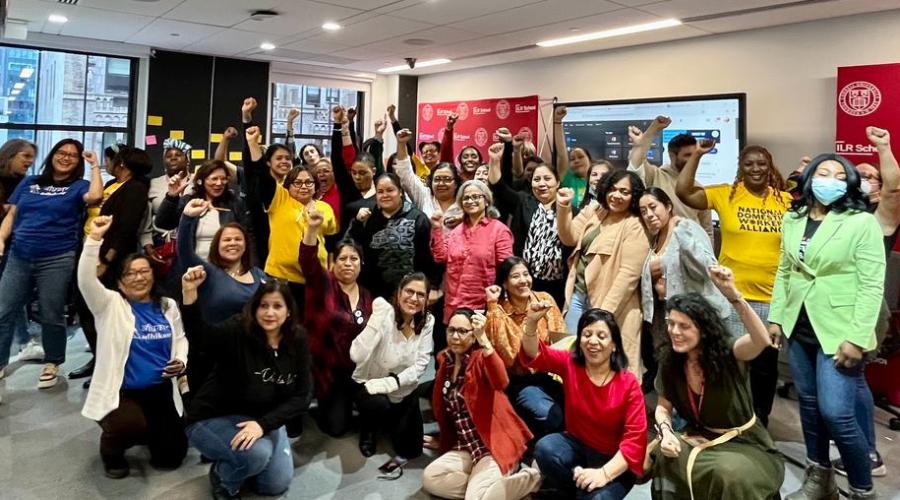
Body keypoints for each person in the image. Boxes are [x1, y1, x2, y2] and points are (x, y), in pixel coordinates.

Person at [768, 154, 884, 500]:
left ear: (848, 182)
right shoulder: (794, 218)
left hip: (841, 329)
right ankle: (819, 480)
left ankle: (863, 489)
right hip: (799, 324)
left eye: (838, 174)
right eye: (823, 172)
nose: (830, 179)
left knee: (837, 413)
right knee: (809, 405)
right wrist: (776, 317)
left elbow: (872, 285)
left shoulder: (860, 222)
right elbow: (785, 271)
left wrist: (858, 337)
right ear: (809, 179)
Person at [675, 139, 791, 427]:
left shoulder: (785, 201)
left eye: (761, 163)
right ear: (741, 167)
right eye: (749, 163)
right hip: (730, 297)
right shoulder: (726, 194)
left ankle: (758, 424)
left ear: (769, 167)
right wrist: (698, 156)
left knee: (764, 369)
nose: (755, 168)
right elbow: (684, 191)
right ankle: (726, 420)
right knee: (727, 363)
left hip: (770, 300)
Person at [651, 266, 784, 500]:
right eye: (671, 324)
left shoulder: (728, 354)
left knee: (728, 474)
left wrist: (734, 296)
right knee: (664, 456)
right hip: (700, 436)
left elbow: (761, 340)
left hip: (743, 441)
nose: (674, 332)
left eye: (684, 326)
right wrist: (666, 432)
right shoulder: (670, 361)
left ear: (703, 330)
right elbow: (663, 407)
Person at [181, 266, 312, 500]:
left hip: (263, 417)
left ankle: (241, 460)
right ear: (255, 308)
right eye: (264, 306)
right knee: (255, 456)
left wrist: (263, 424)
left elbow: (303, 395)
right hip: (214, 416)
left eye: (277, 306)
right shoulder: (237, 329)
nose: (270, 313)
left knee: (274, 485)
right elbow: (201, 339)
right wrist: (190, 294)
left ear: (289, 312)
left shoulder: (298, 338)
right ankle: (223, 478)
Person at [78, 216, 188, 479]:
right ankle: (111, 451)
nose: (138, 277)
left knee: (171, 458)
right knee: (129, 425)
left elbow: (181, 338)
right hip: (123, 391)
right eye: (130, 273)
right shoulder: (109, 305)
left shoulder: (167, 305)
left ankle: (151, 429)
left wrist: (180, 360)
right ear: (119, 282)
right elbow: (85, 280)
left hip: (160, 389)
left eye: (144, 271)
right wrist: (94, 239)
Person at [0, 139, 103, 387]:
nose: (65, 158)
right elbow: (12, 214)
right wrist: (1, 239)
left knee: (51, 312)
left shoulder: (79, 185)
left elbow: (96, 196)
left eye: (72, 155)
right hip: (19, 254)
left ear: (78, 162)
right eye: (61, 152)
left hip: (56, 257)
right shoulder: (30, 182)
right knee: (3, 311)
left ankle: (53, 361)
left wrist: (95, 166)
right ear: (52, 155)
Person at [523, 307, 647, 499]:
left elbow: (635, 441)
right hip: (577, 447)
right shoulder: (570, 364)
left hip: (615, 460)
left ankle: (588, 490)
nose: (593, 341)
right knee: (546, 448)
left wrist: (604, 474)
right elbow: (534, 354)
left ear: (614, 344)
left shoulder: (628, 383)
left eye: (601, 336)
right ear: (579, 341)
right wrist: (531, 323)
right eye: (587, 334)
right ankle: (576, 490)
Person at [833, 126, 898, 477]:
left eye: (870, 176)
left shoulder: (881, 218)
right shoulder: (841, 214)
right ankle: (853, 442)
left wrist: (883, 150)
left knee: (853, 379)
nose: (863, 181)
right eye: (857, 175)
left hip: (864, 311)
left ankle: (869, 454)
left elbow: (895, 188)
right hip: (835, 308)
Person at [422, 308, 541, 500]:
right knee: (431, 478)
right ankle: (484, 489)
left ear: (473, 333)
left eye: (463, 331)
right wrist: (442, 439)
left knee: (476, 498)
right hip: (466, 447)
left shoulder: (481, 358)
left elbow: (501, 381)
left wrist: (483, 338)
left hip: (492, 448)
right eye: (451, 330)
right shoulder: (446, 360)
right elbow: (450, 410)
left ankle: (531, 479)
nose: (456, 336)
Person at [71, 146, 153, 383]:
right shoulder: (112, 186)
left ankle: (109, 367)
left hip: (109, 260)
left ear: (121, 163)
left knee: (103, 312)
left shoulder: (135, 188)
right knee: (86, 309)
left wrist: (106, 260)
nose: (108, 164)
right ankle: (99, 360)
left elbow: (125, 228)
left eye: (109, 160)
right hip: (91, 251)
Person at [557, 170, 649, 376]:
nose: (616, 195)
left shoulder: (635, 225)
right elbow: (569, 237)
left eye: (625, 192)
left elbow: (628, 277)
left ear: (634, 196)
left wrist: (602, 317)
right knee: (574, 357)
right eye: (613, 189)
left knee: (610, 366)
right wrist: (563, 206)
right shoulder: (595, 210)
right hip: (578, 296)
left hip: (612, 305)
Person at [638, 187, 731, 387]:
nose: (649, 214)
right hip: (666, 318)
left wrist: (683, 237)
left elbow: (706, 267)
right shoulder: (654, 238)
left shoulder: (686, 227)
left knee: (698, 376)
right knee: (674, 377)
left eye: (653, 207)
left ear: (668, 206)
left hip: (696, 317)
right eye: (643, 211)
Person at [245, 125, 338, 309]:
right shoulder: (280, 199)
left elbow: (333, 243)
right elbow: (262, 175)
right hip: (281, 279)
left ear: (315, 185)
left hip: (316, 281)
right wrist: (252, 143)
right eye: (297, 182)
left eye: (309, 182)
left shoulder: (325, 207)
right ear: (288, 185)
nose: (303, 186)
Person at [300, 203, 373, 437]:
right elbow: (308, 260)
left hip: (358, 370)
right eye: (343, 259)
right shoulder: (323, 284)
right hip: (327, 371)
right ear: (334, 263)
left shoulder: (367, 295)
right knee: (336, 428)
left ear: (362, 264)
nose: (348, 263)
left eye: (354, 259)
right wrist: (311, 230)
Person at [350, 273, 433, 464]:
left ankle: (392, 420)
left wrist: (393, 383)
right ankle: (368, 427)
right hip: (370, 382)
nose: (414, 298)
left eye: (420, 294)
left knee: (411, 450)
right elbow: (356, 355)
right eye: (409, 291)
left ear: (427, 298)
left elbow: (421, 364)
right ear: (398, 292)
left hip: (402, 384)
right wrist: (375, 321)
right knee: (379, 405)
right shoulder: (384, 315)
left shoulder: (428, 321)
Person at [485, 257, 567, 438]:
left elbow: (561, 339)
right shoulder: (499, 311)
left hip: (552, 374)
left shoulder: (545, 299)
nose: (523, 280)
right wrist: (492, 305)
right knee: (551, 415)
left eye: (526, 274)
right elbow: (509, 355)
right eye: (515, 276)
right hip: (521, 380)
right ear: (505, 284)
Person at [488, 141, 568, 307]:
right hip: (526, 281)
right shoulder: (524, 201)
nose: (541, 183)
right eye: (536, 179)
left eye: (547, 179)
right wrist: (494, 160)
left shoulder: (567, 208)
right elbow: (498, 187)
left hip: (559, 284)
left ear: (558, 183)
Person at [430, 179, 513, 324]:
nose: (470, 201)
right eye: (466, 198)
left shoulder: (499, 230)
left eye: (476, 196)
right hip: (454, 305)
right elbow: (440, 257)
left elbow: (507, 269)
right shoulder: (455, 232)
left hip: (484, 306)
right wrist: (437, 228)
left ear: (486, 201)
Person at [348, 172, 436, 300]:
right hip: (375, 293)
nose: (385, 195)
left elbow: (428, 258)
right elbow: (355, 248)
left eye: (390, 190)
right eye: (380, 192)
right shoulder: (368, 218)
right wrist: (357, 223)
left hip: (411, 293)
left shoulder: (418, 218)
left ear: (400, 191)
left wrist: (431, 286)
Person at [627, 116, 713, 239]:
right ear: (672, 155)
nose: (693, 159)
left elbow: (707, 231)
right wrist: (653, 129)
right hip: (660, 248)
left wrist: (708, 257)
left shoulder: (699, 189)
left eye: (695, 154)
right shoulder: (655, 175)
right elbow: (636, 164)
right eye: (688, 155)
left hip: (690, 253)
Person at [155, 159, 250, 262]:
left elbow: (247, 235)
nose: (219, 183)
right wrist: (171, 197)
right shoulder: (189, 201)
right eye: (214, 179)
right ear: (201, 181)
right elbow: (163, 224)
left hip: (225, 267)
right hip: (191, 266)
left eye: (223, 179)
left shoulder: (234, 202)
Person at [0, 138, 39, 362]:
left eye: (32, 157)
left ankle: (24, 341)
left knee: (10, 298)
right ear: (10, 154)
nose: (30, 161)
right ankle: (25, 341)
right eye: (25, 156)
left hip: (13, 246)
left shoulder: (24, 183)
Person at [553, 105, 590, 207]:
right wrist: (557, 121)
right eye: (572, 159)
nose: (576, 161)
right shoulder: (568, 178)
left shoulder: (598, 180)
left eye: (580, 157)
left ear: (590, 160)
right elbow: (561, 154)